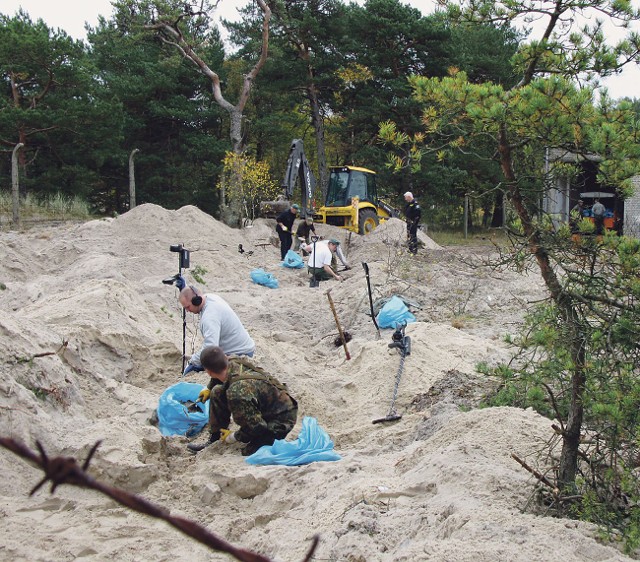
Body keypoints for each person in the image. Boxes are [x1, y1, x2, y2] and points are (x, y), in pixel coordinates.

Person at [187, 346, 298, 456]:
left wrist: (234, 436)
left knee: (249, 452)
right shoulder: (233, 360)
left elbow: (256, 427)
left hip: (282, 418)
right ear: (225, 357)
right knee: (216, 391)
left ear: (208, 372)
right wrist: (209, 388)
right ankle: (215, 437)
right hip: (269, 403)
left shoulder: (236, 393)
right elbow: (216, 375)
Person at [179, 286, 255, 376]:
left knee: (194, 369)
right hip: (244, 348)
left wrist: (192, 362)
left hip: (240, 354)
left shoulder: (209, 317)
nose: (187, 311)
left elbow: (210, 349)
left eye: (188, 307)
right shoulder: (210, 297)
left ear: (196, 300)